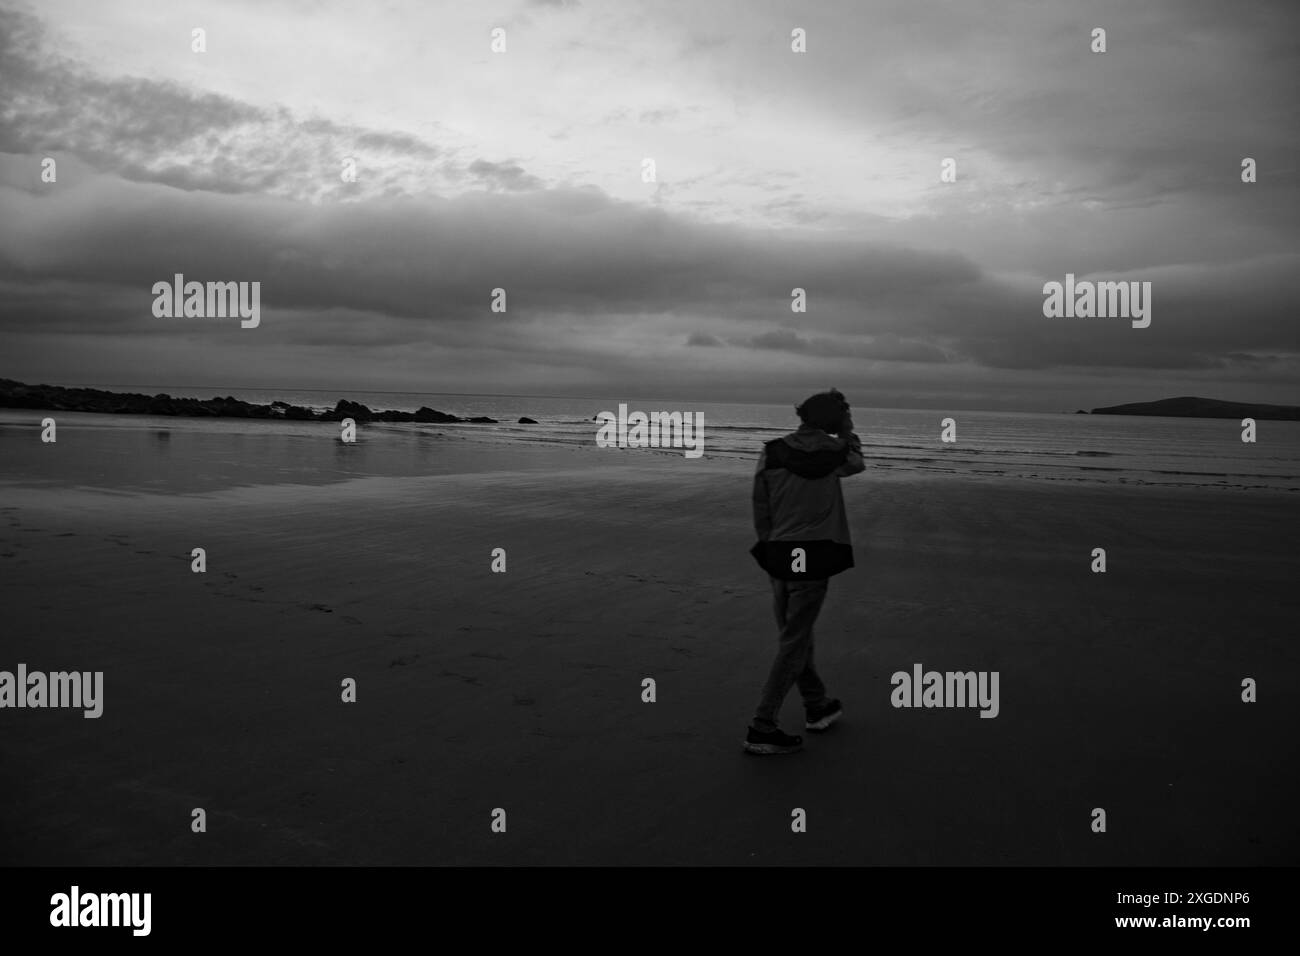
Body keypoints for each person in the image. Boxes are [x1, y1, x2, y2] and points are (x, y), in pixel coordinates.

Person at [744, 388, 865, 755]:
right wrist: (846, 430)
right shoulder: (838, 453)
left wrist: (767, 546)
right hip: (813, 556)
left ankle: (817, 704)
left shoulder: (773, 451)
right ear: (833, 420)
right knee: (794, 641)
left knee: (794, 635)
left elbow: (759, 504)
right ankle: (762, 726)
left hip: (780, 552)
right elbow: (857, 461)